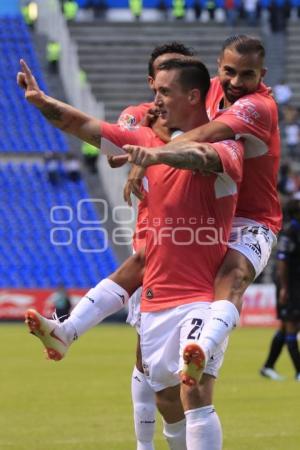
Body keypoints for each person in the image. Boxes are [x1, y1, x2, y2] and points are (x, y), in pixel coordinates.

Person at [21, 57, 244, 450]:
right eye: (154, 90)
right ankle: (69, 333)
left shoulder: (226, 144)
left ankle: (70, 332)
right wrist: (42, 102)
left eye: (163, 92)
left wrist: (156, 157)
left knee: (197, 398)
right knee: (164, 397)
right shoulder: (143, 140)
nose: (153, 101)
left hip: (202, 301)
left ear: (193, 96)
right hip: (157, 303)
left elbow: (202, 158)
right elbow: (83, 126)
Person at [124, 35, 282, 378]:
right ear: (218, 67)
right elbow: (149, 113)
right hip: (205, 214)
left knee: (234, 274)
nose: (237, 82)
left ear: (262, 74)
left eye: (248, 74)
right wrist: (134, 129)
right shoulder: (205, 89)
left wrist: (151, 156)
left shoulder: (260, 105)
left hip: (250, 217)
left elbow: (210, 132)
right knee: (148, 277)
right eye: (230, 71)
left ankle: (201, 351)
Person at [260, 198, 300, 382]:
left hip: (293, 285)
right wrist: (284, 288)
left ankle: (268, 367)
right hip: (289, 287)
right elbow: (282, 261)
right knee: (292, 327)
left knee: (285, 328)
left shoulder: (295, 229)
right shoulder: (290, 232)